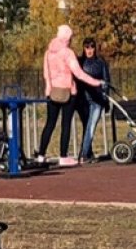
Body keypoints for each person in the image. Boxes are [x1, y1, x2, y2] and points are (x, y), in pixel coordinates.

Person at [37, 25, 102, 165]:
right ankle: (63, 156)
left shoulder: (48, 52)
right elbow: (78, 73)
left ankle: (41, 154)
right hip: (68, 92)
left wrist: (48, 88)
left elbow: (45, 73)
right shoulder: (68, 53)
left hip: (53, 91)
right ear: (67, 38)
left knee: (50, 124)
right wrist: (96, 82)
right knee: (65, 124)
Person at [76, 37, 110, 162]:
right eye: (87, 47)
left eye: (91, 47)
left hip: (97, 100)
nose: (89, 50)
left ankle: (84, 153)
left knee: (91, 126)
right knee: (87, 126)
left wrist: (105, 98)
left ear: (95, 48)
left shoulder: (101, 62)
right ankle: (86, 153)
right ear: (83, 48)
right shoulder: (80, 62)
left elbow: (106, 81)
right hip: (83, 100)